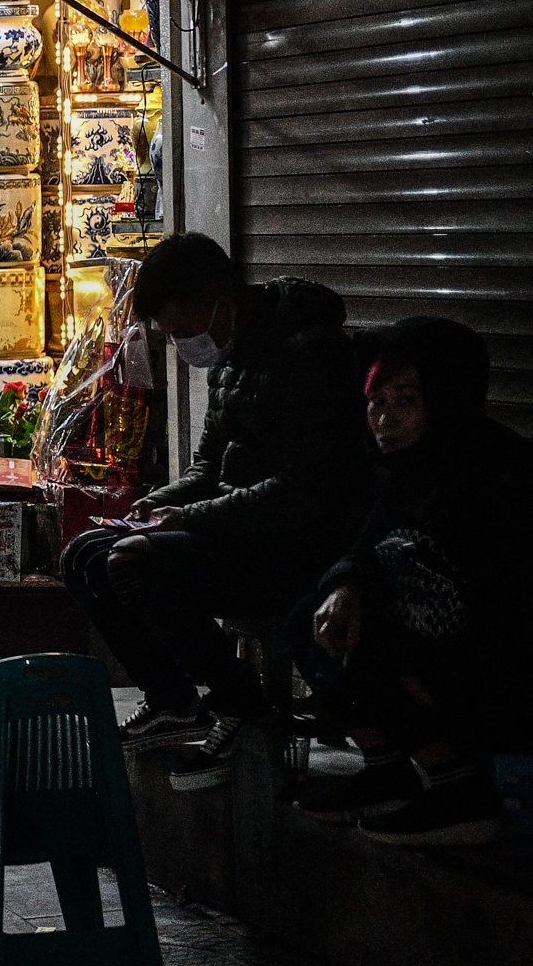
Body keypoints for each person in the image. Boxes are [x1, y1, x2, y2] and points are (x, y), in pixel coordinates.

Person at [60, 232, 367, 789]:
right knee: (83, 553)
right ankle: (174, 701)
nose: (184, 345)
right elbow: (206, 469)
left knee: (132, 561)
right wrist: (161, 501)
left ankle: (241, 704)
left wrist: (194, 518)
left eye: (182, 330)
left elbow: (306, 488)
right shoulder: (230, 360)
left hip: (294, 546)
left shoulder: (311, 354)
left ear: (221, 297)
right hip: (235, 531)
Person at [288, 318, 531, 846]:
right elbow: (367, 546)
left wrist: (434, 670)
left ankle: (460, 790)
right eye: (375, 402)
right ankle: (388, 771)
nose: (383, 419)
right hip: (432, 655)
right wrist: (345, 586)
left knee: (371, 641)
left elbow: (509, 607)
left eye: (405, 401)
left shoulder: (493, 475)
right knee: (313, 617)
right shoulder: (400, 467)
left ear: (445, 397)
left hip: (497, 673)